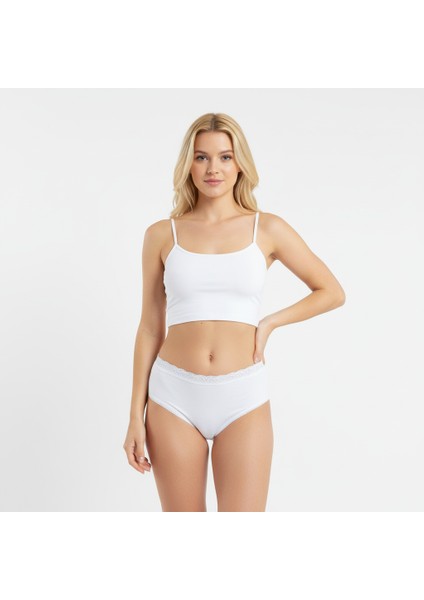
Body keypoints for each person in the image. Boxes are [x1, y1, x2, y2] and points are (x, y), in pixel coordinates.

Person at [123, 112, 346, 512]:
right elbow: (150, 328)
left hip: (243, 395)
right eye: (202, 157)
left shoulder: (267, 228)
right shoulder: (161, 234)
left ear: (240, 163)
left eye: (225, 157)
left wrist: (270, 323)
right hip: (172, 395)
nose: (213, 169)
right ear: (188, 165)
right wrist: (134, 416)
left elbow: (331, 291)